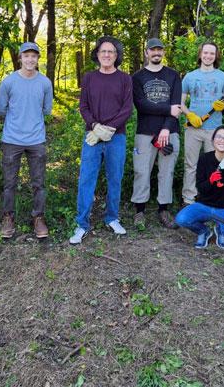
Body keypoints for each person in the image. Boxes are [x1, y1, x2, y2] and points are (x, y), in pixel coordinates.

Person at [69, 36, 133, 244]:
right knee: (86, 179)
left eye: (111, 52)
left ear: (116, 56)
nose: (107, 55)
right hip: (92, 137)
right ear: (97, 55)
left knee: (115, 178)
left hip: (117, 137)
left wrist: (110, 128)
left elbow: (127, 109)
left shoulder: (125, 79)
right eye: (103, 51)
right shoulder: (89, 78)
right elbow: (83, 106)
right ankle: (82, 224)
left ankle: (112, 218)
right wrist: (95, 127)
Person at [0, 42, 53, 240]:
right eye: (26, 55)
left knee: (38, 182)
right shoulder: (8, 82)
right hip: (12, 139)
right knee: (10, 183)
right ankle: (8, 217)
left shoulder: (45, 83)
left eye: (34, 56)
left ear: (38, 59)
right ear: (20, 57)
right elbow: (1, 109)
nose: (30, 59)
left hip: (36, 139)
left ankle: (38, 218)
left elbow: (47, 110)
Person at [130, 37, 182, 230]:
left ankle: (163, 209)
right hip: (145, 132)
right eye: (153, 50)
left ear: (163, 52)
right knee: (141, 171)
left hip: (170, 132)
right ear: (147, 52)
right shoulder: (137, 77)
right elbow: (141, 105)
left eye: (160, 50)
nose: (156, 53)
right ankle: (139, 211)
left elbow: (176, 106)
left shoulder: (173, 76)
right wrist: (167, 109)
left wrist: (167, 127)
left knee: (166, 172)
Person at [180, 42, 224, 206]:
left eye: (212, 53)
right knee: (190, 165)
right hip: (193, 128)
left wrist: (223, 105)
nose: (208, 56)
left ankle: (211, 198)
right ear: (200, 54)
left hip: (215, 131)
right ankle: (188, 199)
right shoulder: (189, 76)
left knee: (214, 165)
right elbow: (180, 103)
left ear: (216, 56)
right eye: (205, 53)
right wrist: (190, 115)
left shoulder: (223, 77)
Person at [175, 126, 224, 249]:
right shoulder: (204, 159)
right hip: (204, 205)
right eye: (219, 137)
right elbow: (200, 188)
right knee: (181, 219)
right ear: (212, 140)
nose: (222, 140)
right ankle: (203, 231)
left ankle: (221, 231)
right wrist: (210, 181)